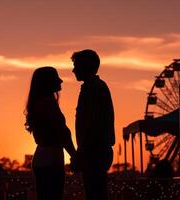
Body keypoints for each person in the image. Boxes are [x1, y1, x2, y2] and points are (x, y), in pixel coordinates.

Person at [25, 66, 77, 200]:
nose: (61, 81)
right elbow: (63, 133)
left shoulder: (41, 104)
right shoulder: (47, 104)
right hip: (50, 160)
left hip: (45, 158)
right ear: (47, 82)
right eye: (56, 78)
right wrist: (74, 155)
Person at [71, 49, 115, 200]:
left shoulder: (93, 89)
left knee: (94, 193)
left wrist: (81, 153)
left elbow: (90, 124)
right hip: (95, 151)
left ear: (85, 66)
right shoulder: (95, 87)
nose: (73, 70)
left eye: (76, 66)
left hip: (94, 152)